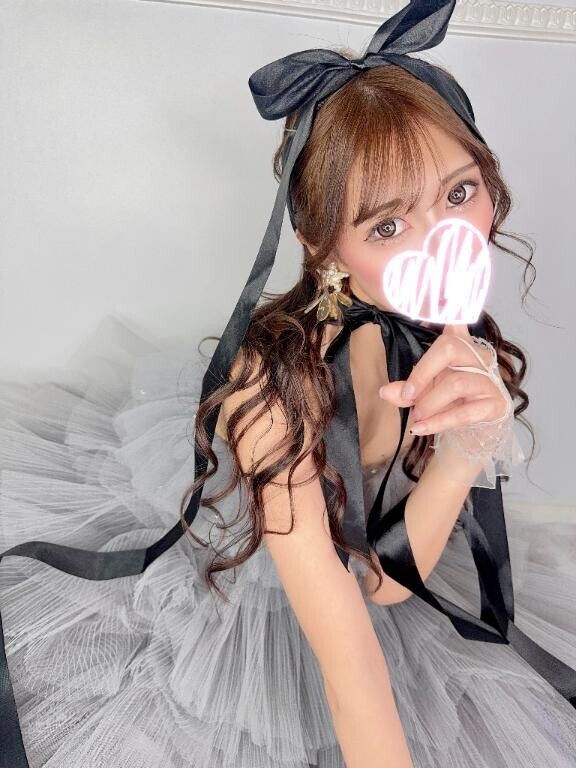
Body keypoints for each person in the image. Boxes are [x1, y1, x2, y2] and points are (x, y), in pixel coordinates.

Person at [1, 1, 575, 766]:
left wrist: (466, 451)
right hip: (235, 581)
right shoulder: (272, 399)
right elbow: (351, 666)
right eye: (387, 226)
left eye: (459, 194)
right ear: (322, 246)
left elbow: (387, 585)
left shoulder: (446, 346)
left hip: (357, 572)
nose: (443, 241)